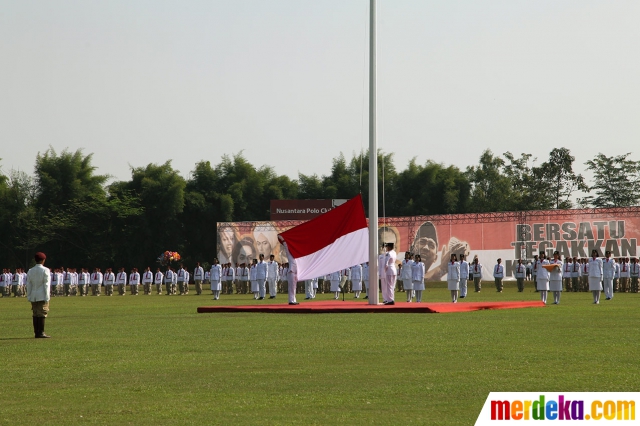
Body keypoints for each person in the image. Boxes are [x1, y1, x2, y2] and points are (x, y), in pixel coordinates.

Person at [27, 252, 52, 338]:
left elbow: (29, 284)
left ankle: (36, 332)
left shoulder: (30, 270)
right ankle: (41, 332)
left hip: (33, 295)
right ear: (43, 260)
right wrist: (47, 296)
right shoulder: (45, 270)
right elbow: (46, 284)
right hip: (42, 295)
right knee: (42, 313)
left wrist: (29, 296)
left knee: (35, 313)